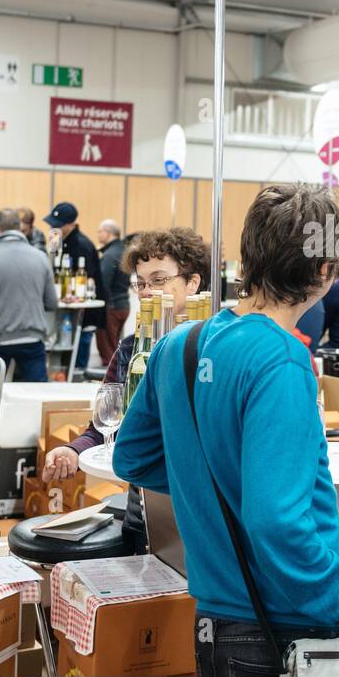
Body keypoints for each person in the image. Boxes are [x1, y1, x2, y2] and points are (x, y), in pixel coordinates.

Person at [112, 184, 339, 676]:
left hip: (215, 621)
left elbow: (131, 457)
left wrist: (216, 485)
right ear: (324, 272)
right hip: (280, 630)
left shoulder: (178, 344)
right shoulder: (281, 359)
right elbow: (278, 522)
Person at [43, 227, 211, 555]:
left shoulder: (215, 349)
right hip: (142, 504)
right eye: (142, 283)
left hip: (203, 507)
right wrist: (74, 451)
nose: (148, 292)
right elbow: (105, 424)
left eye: (159, 280)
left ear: (192, 282)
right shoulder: (131, 350)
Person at [0, 208, 58, 388]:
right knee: (36, 397)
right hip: (32, 339)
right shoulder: (41, 258)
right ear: (18, 227)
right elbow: (51, 303)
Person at [45, 202, 104, 370]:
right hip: (65, 312)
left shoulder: (81, 244)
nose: (53, 229)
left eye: (58, 225)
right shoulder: (60, 242)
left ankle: (78, 379)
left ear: (71, 224)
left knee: (79, 353)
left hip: (83, 313)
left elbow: (88, 278)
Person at [95, 219, 130, 366]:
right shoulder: (124, 251)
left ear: (108, 233)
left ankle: (111, 384)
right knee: (114, 346)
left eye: (100, 231)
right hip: (124, 305)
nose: (98, 234)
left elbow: (103, 283)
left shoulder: (109, 255)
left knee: (108, 351)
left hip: (111, 307)